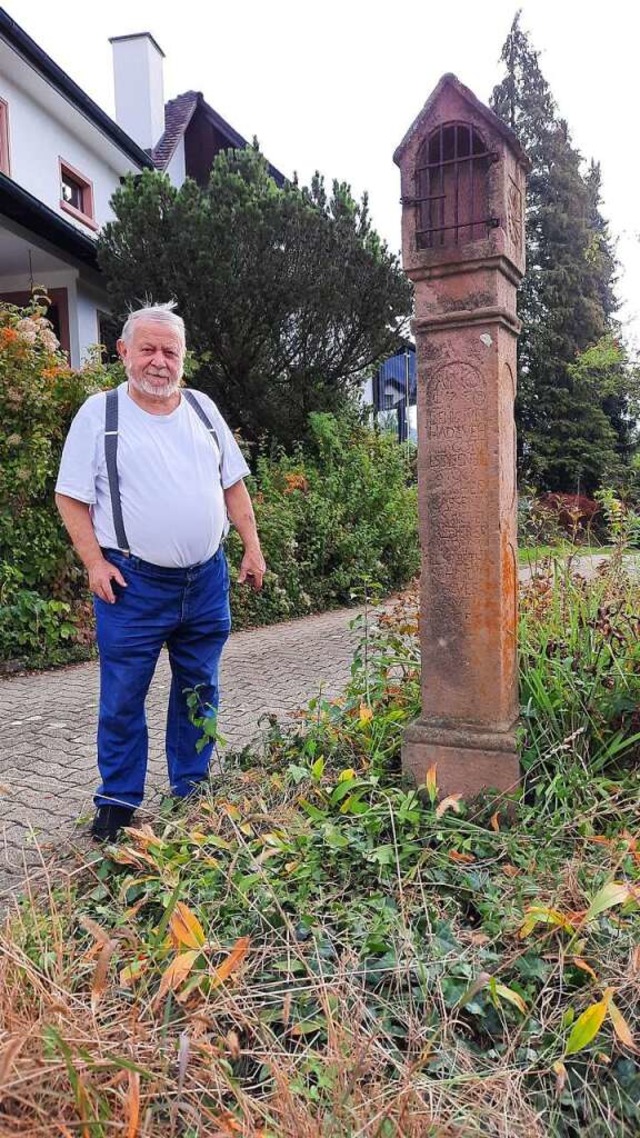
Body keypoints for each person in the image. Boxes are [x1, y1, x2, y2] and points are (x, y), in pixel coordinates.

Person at [55, 303, 265, 841]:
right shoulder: (99, 415)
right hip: (133, 585)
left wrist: (251, 547)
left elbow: (233, 484)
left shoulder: (201, 409)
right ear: (123, 352)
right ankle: (118, 803)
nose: (158, 361)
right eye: (147, 348)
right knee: (124, 694)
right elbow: (70, 497)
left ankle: (190, 790)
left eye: (169, 351)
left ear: (183, 359)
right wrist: (94, 562)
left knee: (199, 687)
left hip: (206, 579)